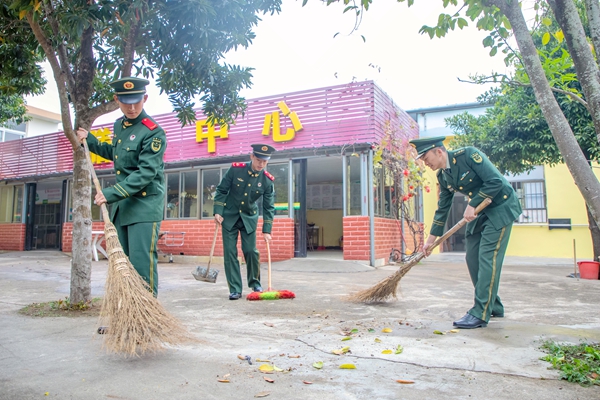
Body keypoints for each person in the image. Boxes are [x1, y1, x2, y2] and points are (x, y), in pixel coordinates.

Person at [410, 136, 522, 329]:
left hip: (501, 207)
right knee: (472, 258)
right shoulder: (443, 177)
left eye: (426, 157)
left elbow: (496, 181)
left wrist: (473, 203)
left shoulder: (469, 155)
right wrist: (430, 241)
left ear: (439, 151)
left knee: (488, 258)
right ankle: (493, 305)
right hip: (481, 213)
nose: (425, 162)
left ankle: (480, 312)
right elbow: (442, 209)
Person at [77, 76, 167, 299]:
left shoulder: (153, 132)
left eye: (137, 101)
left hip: (144, 206)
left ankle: (145, 317)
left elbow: (146, 173)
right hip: (123, 206)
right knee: (122, 265)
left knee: (140, 263)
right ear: (117, 99)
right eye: (126, 101)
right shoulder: (119, 125)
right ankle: (124, 316)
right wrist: (91, 141)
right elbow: (117, 154)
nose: (132, 106)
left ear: (145, 98)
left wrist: (109, 194)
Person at [213, 144, 276, 300]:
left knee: (250, 251)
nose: (261, 164)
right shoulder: (236, 169)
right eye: (259, 160)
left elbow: (269, 207)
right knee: (230, 253)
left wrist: (267, 230)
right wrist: (218, 211)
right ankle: (235, 288)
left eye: (265, 161)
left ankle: (255, 283)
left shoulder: (267, 181)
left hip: (248, 218)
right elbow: (221, 190)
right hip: (229, 216)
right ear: (252, 157)